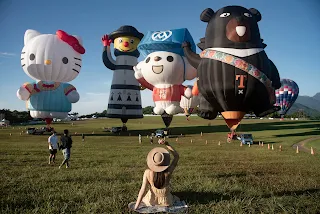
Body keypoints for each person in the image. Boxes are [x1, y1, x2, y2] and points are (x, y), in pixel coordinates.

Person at [133, 138, 181, 210]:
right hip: (166, 201)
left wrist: (136, 206)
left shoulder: (147, 172)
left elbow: (142, 189)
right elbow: (176, 156)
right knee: (176, 198)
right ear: (164, 161)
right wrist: (167, 144)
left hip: (151, 201)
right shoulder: (168, 172)